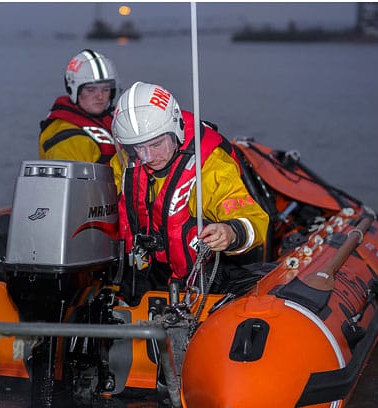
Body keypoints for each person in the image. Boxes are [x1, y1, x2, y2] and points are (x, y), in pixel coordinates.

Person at [112, 81, 270, 302]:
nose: (148, 157)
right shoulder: (128, 162)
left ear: (175, 129)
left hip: (200, 278)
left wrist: (230, 232)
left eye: (157, 145)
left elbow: (254, 220)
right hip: (145, 275)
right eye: (138, 148)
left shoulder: (209, 165)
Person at [39, 49, 122, 190]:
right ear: (74, 90)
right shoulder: (68, 140)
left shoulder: (110, 120)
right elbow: (78, 194)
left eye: (106, 89)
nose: (100, 96)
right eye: (91, 90)